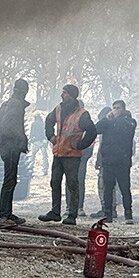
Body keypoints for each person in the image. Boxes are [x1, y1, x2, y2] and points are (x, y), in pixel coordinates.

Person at [38, 84, 97, 226]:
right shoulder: (58, 108)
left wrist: (80, 145)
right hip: (58, 153)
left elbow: (92, 131)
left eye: (64, 93)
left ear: (72, 95)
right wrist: (50, 136)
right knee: (55, 182)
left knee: (72, 184)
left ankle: (72, 215)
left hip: (72, 155)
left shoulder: (82, 114)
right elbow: (48, 121)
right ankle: (55, 212)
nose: (62, 95)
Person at [0, 78, 30, 225]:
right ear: (24, 91)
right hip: (12, 147)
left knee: (10, 179)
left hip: (7, 147)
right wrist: (22, 139)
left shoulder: (6, 104)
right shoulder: (16, 104)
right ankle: (4, 215)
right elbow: (9, 125)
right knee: (9, 180)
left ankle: (7, 213)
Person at [95, 99, 136, 224]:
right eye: (113, 108)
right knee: (108, 189)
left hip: (122, 162)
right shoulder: (109, 121)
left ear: (123, 109)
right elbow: (96, 129)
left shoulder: (130, 121)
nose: (114, 110)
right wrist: (106, 119)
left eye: (117, 108)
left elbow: (125, 129)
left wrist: (116, 118)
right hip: (108, 161)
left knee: (125, 189)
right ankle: (108, 214)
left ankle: (128, 214)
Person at [64, 99, 94, 217]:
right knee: (69, 181)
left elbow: (90, 136)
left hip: (81, 154)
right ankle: (69, 206)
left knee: (79, 180)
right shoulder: (69, 118)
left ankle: (78, 207)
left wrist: (85, 150)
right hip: (69, 153)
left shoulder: (85, 118)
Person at [30, 111, 50, 175]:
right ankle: (45, 170)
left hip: (36, 142)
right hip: (43, 141)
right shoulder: (43, 123)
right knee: (44, 156)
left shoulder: (34, 124)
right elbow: (45, 132)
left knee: (32, 155)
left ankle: (31, 169)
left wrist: (30, 140)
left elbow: (31, 133)